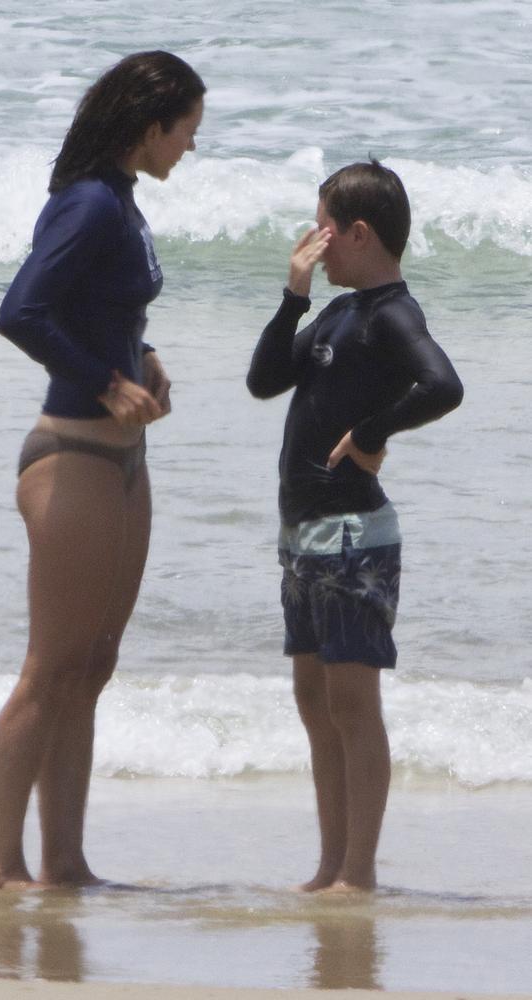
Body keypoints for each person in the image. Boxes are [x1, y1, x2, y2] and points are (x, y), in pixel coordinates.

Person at [0, 51, 206, 889]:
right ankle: (3, 866)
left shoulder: (122, 200)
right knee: (51, 667)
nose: (189, 146)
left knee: (93, 664)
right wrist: (106, 382)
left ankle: (66, 863)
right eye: (186, 131)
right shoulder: (88, 203)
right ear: (151, 127)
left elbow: (97, 304)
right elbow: (22, 310)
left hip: (123, 460)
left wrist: (140, 353)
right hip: (71, 454)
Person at [246, 160, 463, 893]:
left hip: (352, 537)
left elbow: (444, 384)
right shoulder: (338, 313)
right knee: (314, 701)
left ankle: (359, 871)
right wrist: (293, 295)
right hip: (302, 535)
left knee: (350, 703)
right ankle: (330, 863)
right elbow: (264, 379)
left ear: (360, 233)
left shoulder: (391, 313)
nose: (316, 241)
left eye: (325, 230)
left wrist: (372, 433)